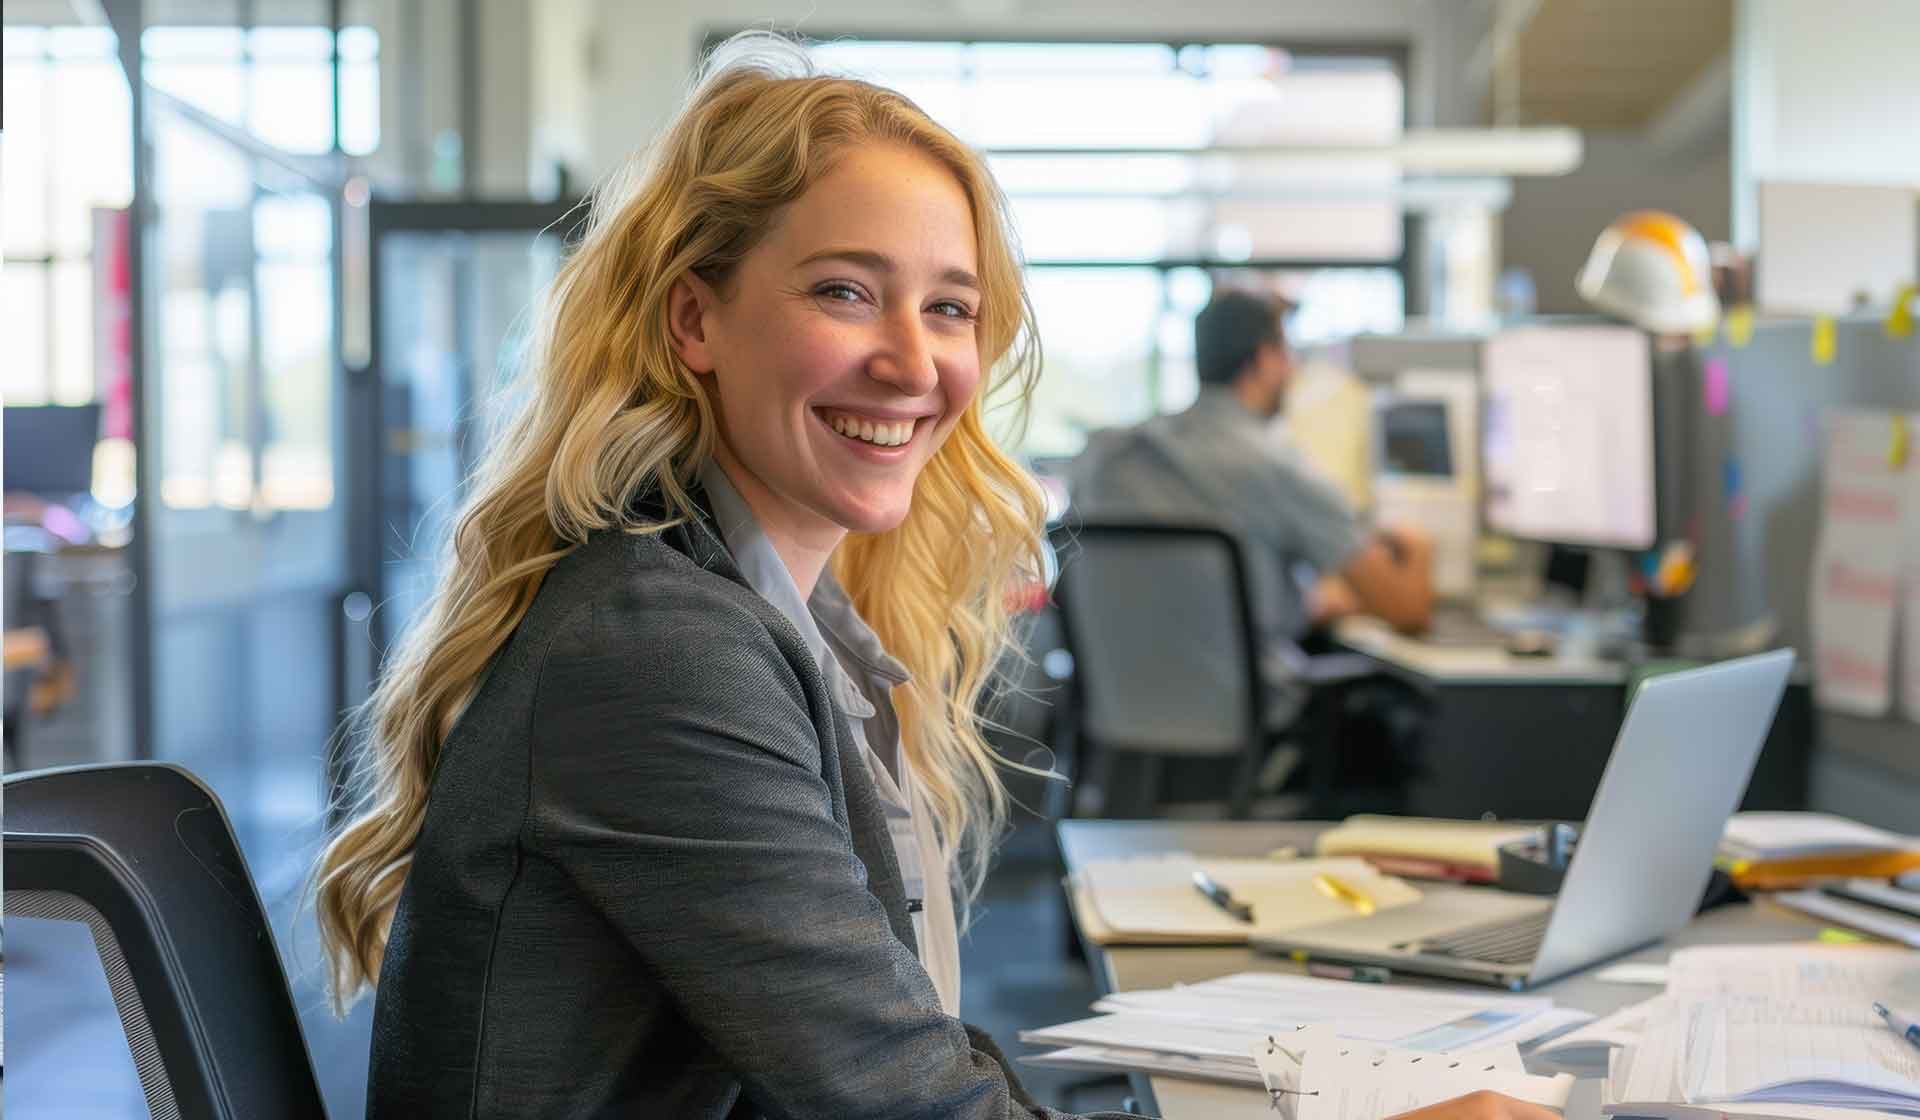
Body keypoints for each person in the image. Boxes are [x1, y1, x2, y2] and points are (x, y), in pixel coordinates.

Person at [312, 33, 1557, 1120]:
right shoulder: (658, 651)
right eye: (846, 291)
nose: (914, 362)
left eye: (951, 308)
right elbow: (902, 1102)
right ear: (695, 321)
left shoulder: (765, 613)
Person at [1070, 290, 1435, 645]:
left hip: (1118, 701)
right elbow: (1406, 609)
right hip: (1257, 705)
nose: (1294, 369)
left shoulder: (1109, 455)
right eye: (1288, 353)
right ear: (1265, 359)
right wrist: (1419, 545)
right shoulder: (1276, 466)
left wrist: (1297, 603)